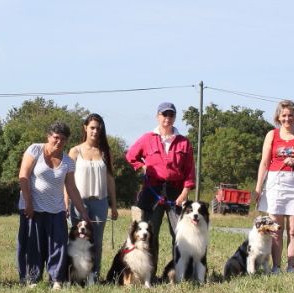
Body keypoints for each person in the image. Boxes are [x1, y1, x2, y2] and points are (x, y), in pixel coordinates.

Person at [124, 102, 196, 277]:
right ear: (158, 116)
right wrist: (141, 166)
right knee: (150, 233)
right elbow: (130, 155)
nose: (167, 118)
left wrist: (185, 193)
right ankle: (150, 274)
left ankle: (179, 273)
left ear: (174, 118)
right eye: (164, 115)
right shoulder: (148, 138)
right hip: (152, 190)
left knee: (180, 235)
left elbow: (190, 171)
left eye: (171, 115)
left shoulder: (184, 142)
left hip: (176, 192)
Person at [17, 122, 91, 290]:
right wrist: (28, 203)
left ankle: (56, 279)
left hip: (56, 210)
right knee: (32, 246)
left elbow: (71, 188)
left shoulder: (68, 162)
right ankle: (31, 279)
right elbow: (24, 175)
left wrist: (83, 211)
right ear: (48, 136)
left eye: (63, 139)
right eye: (56, 138)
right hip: (32, 208)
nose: (58, 142)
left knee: (58, 246)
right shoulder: (34, 150)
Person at [254, 100, 294, 274]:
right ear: (278, 117)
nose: (287, 118)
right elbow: (265, 162)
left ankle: (291, 266)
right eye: (284, 115)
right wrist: (258, 187)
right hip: (276, 183)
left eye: (291, 115)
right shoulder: (271, 135)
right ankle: (276, 267)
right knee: (275, 229)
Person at [66, 113, 119, 283]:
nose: (95, 131)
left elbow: (110, 179)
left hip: (100, 202)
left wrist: (114, 205)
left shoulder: (105, 152)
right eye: (92, 128)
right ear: (85, 128)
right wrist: (66, 202)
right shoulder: (75, 151)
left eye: (98, 128)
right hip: (77, 202)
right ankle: (73, 275)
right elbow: (66, 179)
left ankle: (93, 276)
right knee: (76, 239)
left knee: (96, 240)